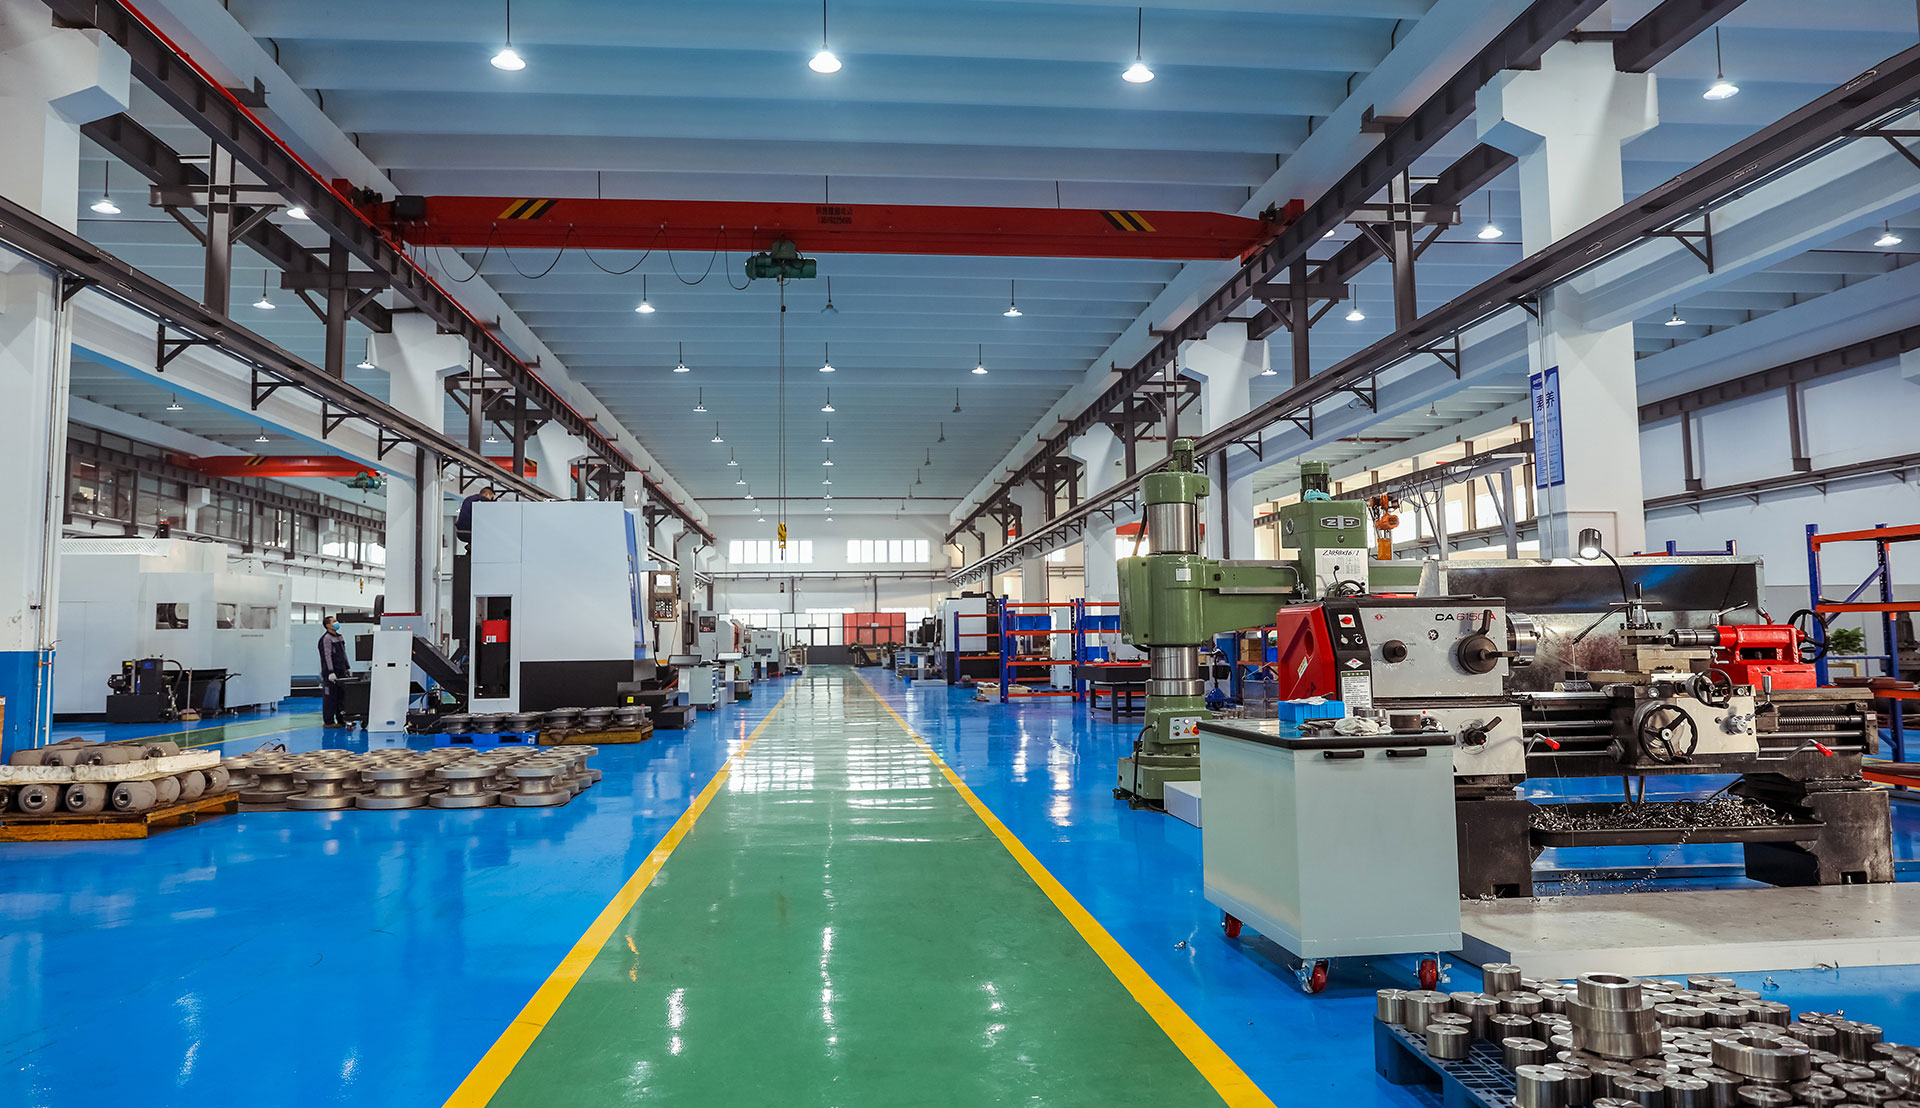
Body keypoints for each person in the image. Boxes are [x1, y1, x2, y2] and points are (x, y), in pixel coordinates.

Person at [318, 615, 351, 728]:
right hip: (331, 673)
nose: (336, 623)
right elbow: (327, 656)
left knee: (341, 697)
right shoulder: (326, 639)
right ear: (328, 625)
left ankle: (342, 720)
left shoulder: (339, 637)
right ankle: (328, 722)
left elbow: (343, 653)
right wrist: (330, 671)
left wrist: (347, 667)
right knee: (330, 697)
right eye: (333, 621)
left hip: (342, 671)